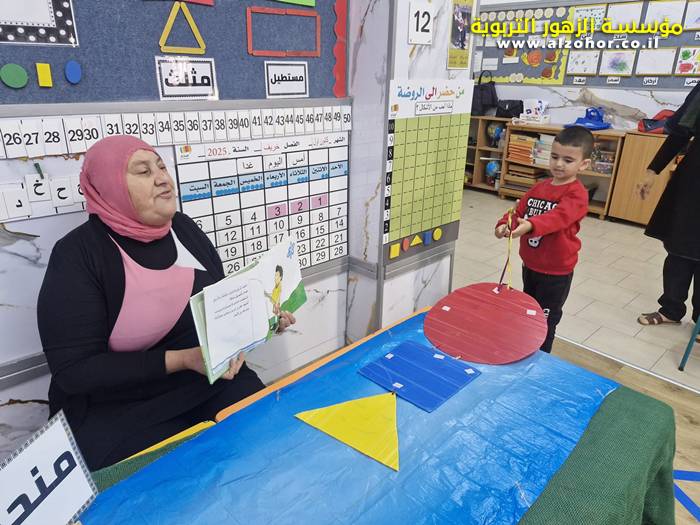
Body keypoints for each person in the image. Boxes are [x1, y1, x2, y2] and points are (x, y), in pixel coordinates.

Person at [37, 136, 295, 470]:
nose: (162, 178)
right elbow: (75, 372)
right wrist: (184, 359)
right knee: (179, 480)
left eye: (161, 167)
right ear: (108, 187)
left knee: (268, 442)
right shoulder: (78, 254)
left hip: (205, 382)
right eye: (143, 171)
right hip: (119, 408)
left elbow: (219, 306)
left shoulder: (184, 229)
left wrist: (261, 319)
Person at [494, 126, 593, 353]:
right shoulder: (540, 187)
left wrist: (530, 225)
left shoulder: (577, 194)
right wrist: (504, 224)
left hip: (556, 273)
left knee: (546, 319)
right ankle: (526, 347)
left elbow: (558, 217)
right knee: (529, 311)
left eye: (568, 160)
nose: (559, 164)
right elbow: (519, 210)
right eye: (554, 157)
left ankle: (540, 356)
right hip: (531, 265)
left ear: (583, 164)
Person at [637, 82, 700, 333]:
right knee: (679, 247)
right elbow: (681, 131)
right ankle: (671, 310)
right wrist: (653, 170)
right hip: (694, 180)